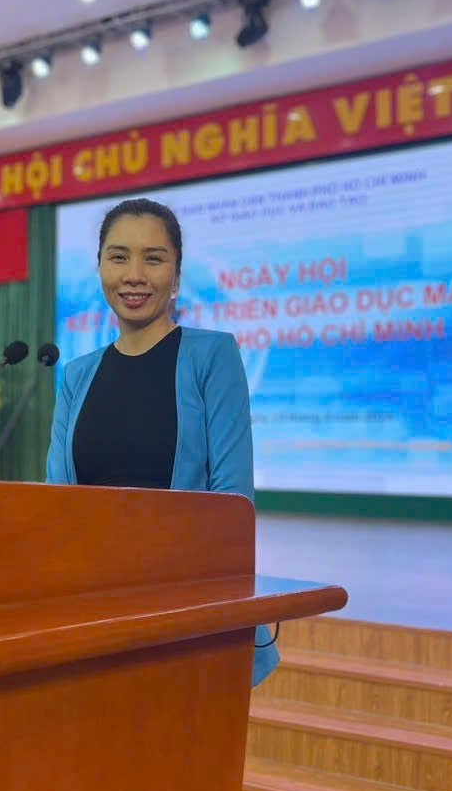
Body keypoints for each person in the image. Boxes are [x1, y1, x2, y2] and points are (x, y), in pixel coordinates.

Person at [46, 197, 279, 686]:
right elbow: (57, 505)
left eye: (153, 259)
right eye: (119, 257)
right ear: (100, 267)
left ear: (175, 275)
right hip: (91, 617)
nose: (134, 275)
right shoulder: (77, 375)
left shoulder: (212, 355)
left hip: (185, 618)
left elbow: (232, 504)